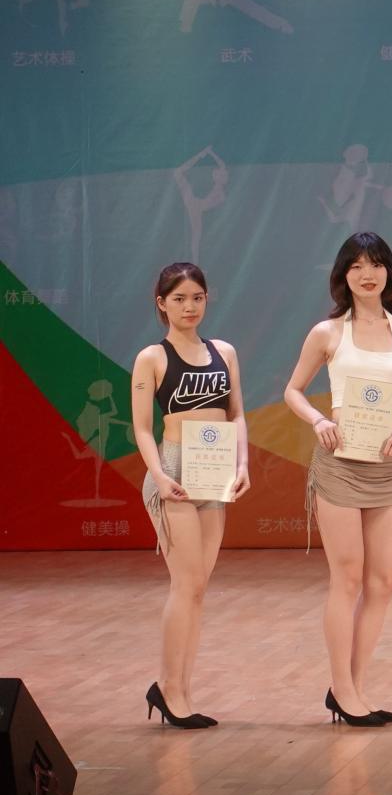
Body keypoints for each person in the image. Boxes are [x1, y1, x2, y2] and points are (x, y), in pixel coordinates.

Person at [283, 233, 392, 726]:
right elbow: (293, 391)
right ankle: (343, 690)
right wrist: (318, 420)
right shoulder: (327, 333)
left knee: (384, 580)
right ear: (343, 275)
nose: (367, 274)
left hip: (384, 465)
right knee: (347, 577)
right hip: (339, 464)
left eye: (375, 264)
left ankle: (355, 688)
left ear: (389, 271)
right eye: (356, 266)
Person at [130, 262, 250, 728]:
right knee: (185, 585)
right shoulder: (152, 357)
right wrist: (159, 476)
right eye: (179, 299)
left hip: (214, 471)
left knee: (198, 589)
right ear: (161, 303)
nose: (189, 307)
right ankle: (169, 689)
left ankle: (179, 688)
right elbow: (142, 427)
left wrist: (242, 463)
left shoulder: (224, 352)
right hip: (175, 471)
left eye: (197, 297)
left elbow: (236, 414)